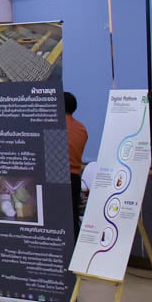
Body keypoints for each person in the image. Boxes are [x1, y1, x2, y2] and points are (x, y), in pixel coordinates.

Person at [65, 91, 88, 231]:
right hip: (75, 178)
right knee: (72, 218)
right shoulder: (81, 128)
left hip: (56, 180)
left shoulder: (55, 126)